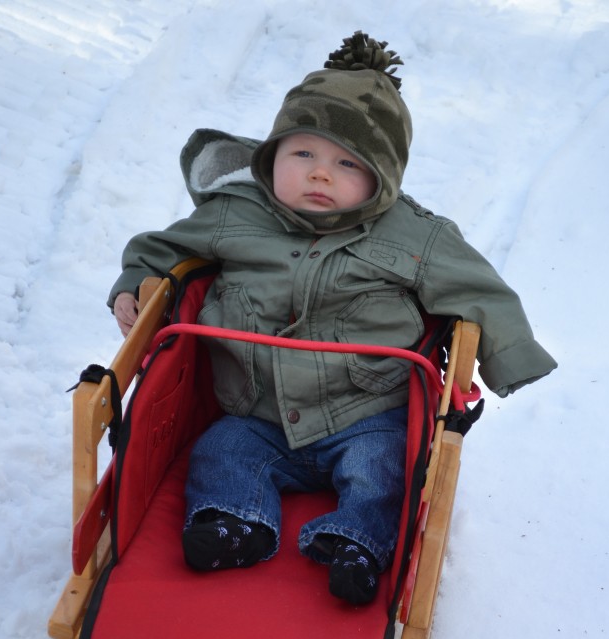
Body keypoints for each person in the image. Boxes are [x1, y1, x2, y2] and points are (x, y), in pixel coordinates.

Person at [109, 31, 557, 605]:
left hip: (365, 412)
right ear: (271, 157)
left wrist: (507, 359)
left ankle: (357, 544)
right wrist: (132, 287)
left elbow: (482, 292)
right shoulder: (234, 213)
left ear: (382, 178)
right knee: (220, 451)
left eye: (347, 162)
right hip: (255, 408)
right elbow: (159, 249)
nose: (320, 174)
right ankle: (234, 523)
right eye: (303, 154)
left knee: (386, 468)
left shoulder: (419, 237)